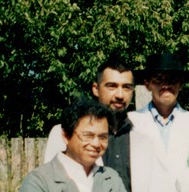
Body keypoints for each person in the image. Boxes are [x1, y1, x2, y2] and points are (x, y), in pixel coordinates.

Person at [42, 55, 135, 191]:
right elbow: (52, 184)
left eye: (126, 87)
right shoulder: (65, 133)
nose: (120, 95)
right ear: (96, 89)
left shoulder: (142, 133)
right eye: (112, 86)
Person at [126, 52, 189, 191]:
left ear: (180, 84)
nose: (166, 85)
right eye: (158, 79)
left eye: (172, 80)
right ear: (147, 84)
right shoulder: (130, 122)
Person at [21, 99, 126, 192]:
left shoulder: (111, 179)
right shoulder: (39, 181)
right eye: (88, 136)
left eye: (103, 137)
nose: (96, 144)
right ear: (66, 136)